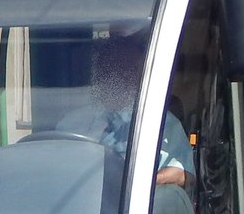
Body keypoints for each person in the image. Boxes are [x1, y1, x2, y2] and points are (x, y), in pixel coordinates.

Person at [56, 32, 194, 188]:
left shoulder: (160, 121)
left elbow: (184, 174)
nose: (117, 76)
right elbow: (55, 168)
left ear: (138, 75)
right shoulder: (73, 121)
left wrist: (143, 182)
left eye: (125, 69)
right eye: (109, 68)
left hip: (133, 205)